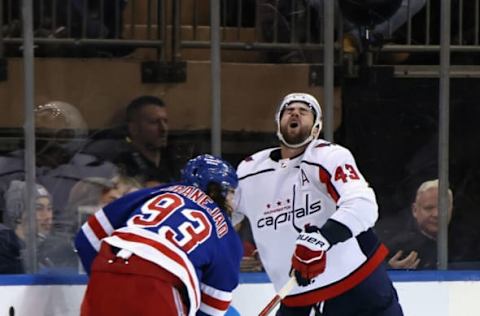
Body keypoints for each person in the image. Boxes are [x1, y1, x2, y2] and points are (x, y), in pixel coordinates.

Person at [234, 93, 403, 315]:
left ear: (316, 128)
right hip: (295, 296)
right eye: (288, 110)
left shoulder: (329, 156)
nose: (295, 113)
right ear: (278, 123)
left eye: (304, 112)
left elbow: (363, 204)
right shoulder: (249, 171)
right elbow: (225, 220)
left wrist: (321, 239)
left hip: (356, 287)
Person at [75, 154, 243, 316]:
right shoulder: (224, 229)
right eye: (231, 193)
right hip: (158, 283)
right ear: (216, 190)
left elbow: (86, 238)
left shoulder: (155, 192)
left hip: (106, 271)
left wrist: (112, 276)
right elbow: (212, 308)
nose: (232, 202)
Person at [0, 101, 118, 233]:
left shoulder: (100, 171)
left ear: (74, 136)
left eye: (61, 136)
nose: (49, 142)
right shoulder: (5, 169)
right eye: (39, 134)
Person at [0, 180, 77, 273]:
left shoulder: (59, 248)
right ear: (18, 214)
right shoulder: (4, 249)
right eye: (38, 209)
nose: (47, 216)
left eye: (49, 209)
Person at [386, 179, 453, 270]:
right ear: (415, 210)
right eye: (429, 208)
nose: (436, 214)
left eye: (443, 208)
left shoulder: (468, 242)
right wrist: (390, 270)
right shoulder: (396, 245)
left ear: (451, 209)